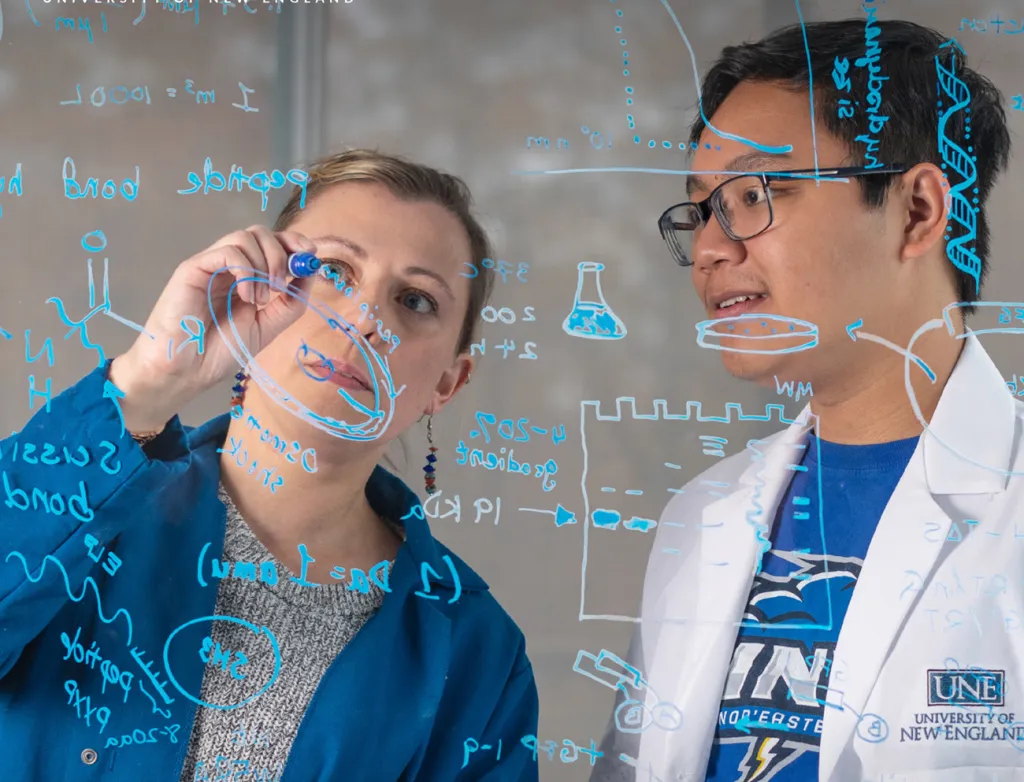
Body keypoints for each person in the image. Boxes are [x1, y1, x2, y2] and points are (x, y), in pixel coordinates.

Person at [0, 149, 539, 781]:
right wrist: (144, 385)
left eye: (416, 301)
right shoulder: (88, 510)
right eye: (334, 269)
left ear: (448, 381)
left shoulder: (480, 655)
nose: (365, 319)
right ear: (259, 283)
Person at [591, 18, 1020, 782]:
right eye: (702, 210)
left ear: (918, 210)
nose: (713, 250)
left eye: (756, 194)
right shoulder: (703, 515)